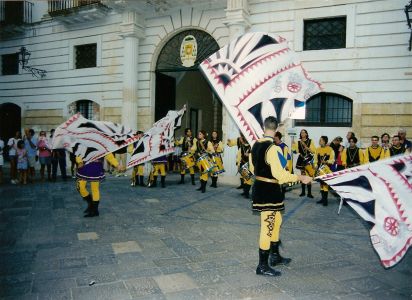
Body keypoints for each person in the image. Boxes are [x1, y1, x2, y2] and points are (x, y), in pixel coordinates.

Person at [249, 116, 312, 276]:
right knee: (268, 226)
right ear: (276, 129)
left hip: (263, 188)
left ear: (264, 127)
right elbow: (281, 175)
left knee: (277, 220)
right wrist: (300, 177)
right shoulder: (273, 148)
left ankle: (274, 256)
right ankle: (262, 266)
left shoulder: (254, 145)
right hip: (268, 191)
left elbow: (251, 168)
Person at [76, 152, 119, 217]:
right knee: (80, 187)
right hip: (84, 166)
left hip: (96, 167)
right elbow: (79, 150)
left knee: (95, 189)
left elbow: (109, 155)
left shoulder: (103, 143)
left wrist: (117, 165)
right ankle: (91, 204)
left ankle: (95, 210)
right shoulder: (86, 142)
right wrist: (79, 161)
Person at [292, 129, 316, 198]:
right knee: (303, 175)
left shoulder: (311, 141)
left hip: (308, 159)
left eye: (303, 132)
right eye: (301, 133)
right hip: (301, 159)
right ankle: (303, 192)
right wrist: (293, 146)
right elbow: (295, 152)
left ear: (306, 134)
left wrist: (307, 147)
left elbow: (313, 151)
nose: (302, 134)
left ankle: (309, 193)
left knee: (308, 176)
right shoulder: (298, 142)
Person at [313, 136, 334, 206]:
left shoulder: (330, 149)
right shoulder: (317, 149)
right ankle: (322, 199)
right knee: (321, 184)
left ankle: (325, 200)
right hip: (319, 169)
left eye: (321, 140)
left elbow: (332, 160)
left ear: (324, 141)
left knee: (325, 184)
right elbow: (315, 159)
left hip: (326, 169)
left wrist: (327, 161)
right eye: (320, 140)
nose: (319, 141)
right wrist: (315, 166)